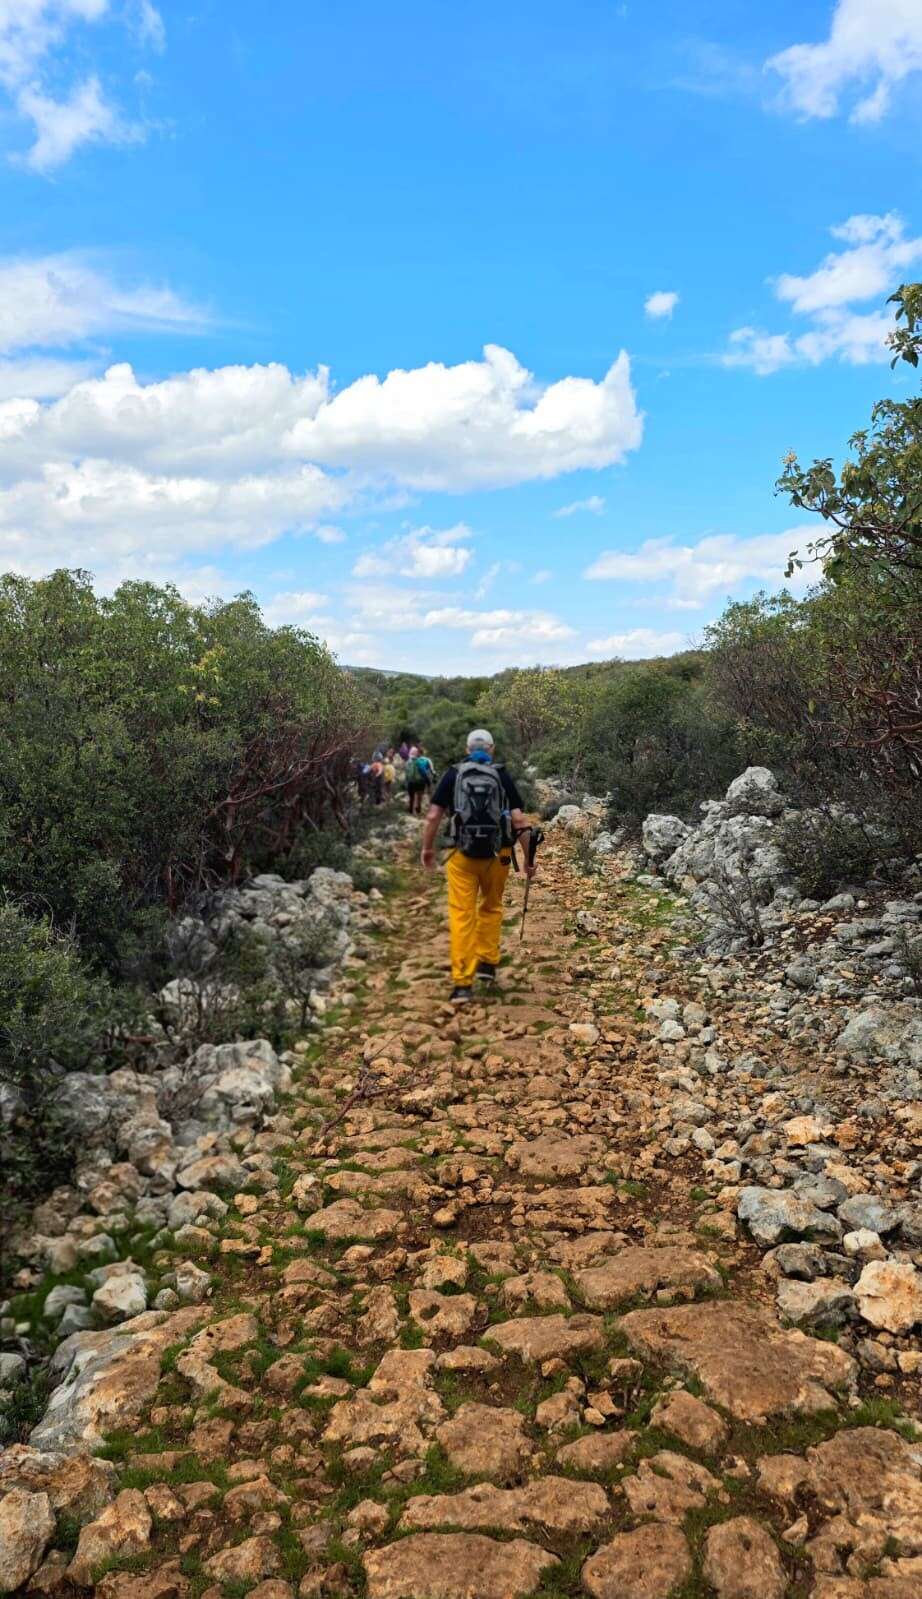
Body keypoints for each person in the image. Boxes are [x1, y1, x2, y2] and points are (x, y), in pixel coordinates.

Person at [420, 728, 536, 1003]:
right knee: (492, 905)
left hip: (461, 855)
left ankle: (463, 984)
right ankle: (487, 963)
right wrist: (529, 859)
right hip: (501, 854)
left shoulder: (454, 774)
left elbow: (433, 816)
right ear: (491, 749)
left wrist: (427, 848)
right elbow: (520, 821)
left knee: (462, 914)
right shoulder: (501, 775)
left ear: (467, 749)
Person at [405, 742, 435, 815]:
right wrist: (428, 782)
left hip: (411, 781)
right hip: (420, 781)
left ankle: (411, 811)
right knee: (419, 796)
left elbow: (406, 772)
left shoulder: (409, 761)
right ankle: (418, 809)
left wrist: (406, 782)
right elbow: (425, 772)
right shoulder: (423, 761)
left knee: (412, 797)